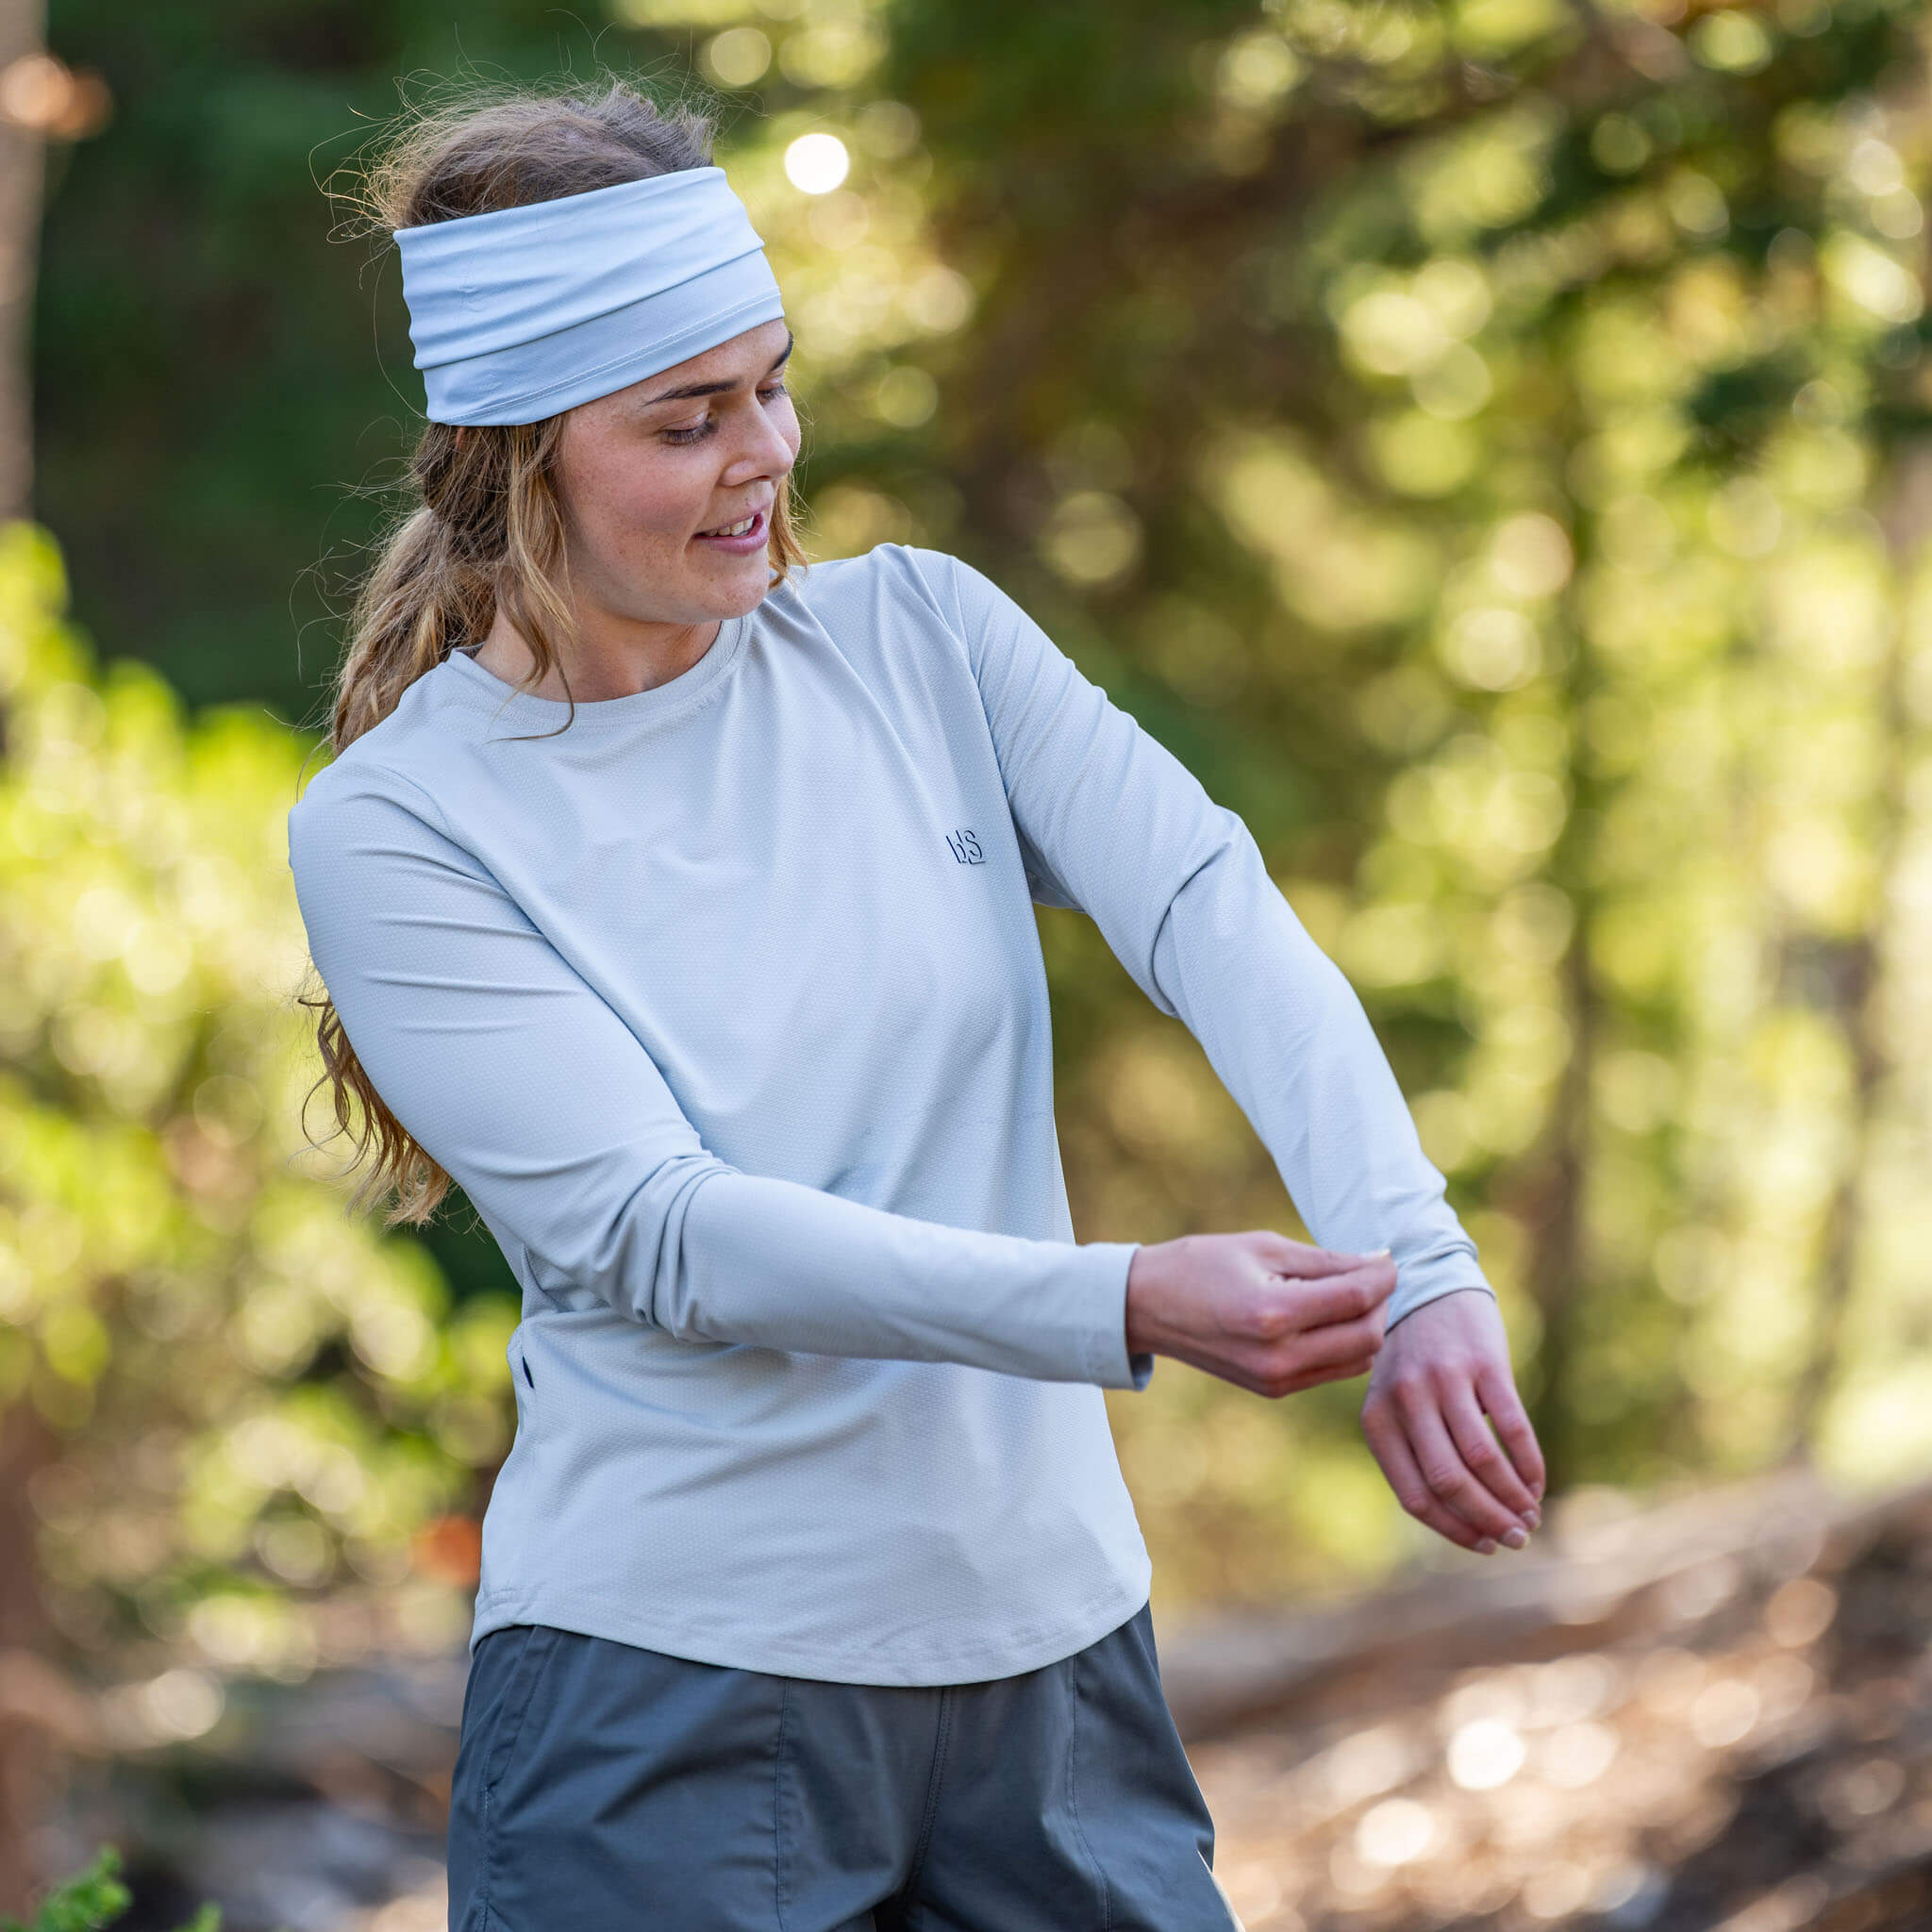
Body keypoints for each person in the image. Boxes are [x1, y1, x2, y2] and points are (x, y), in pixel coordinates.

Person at [287, 76, 1546, 1932]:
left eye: (772, 384)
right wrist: (1121, 1299)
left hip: (1051, 1669)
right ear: (515, 454)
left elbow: (1203, 901)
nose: (764, 454)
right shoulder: (402, 824)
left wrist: (1417, 1264)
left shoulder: (919, 639)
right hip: (669, 1705)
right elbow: (665, 1235)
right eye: (687, 418)